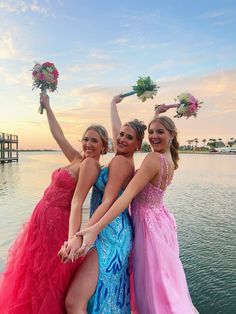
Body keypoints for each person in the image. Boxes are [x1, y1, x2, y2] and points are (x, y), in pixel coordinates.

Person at [77, 108, 199, 314]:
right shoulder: (169, 159)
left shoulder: (153, 159)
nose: (153, 136)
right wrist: (150, 115)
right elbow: (141, 139)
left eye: (159, 132)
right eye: (151, 132)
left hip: (146, 223)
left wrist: (95, 228)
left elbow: (125, 198)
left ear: (172, 134)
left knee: (149, 284)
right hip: (161, 220)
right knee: (162, 282)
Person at [0, 94, 109, 314]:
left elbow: (77, 202)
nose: (88, 144)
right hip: (42, 220)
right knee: (35, 272)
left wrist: (71, 239)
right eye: (86, 139)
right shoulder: (78, 159)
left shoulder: (90, 165)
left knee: (49, 276)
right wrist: (48, 106)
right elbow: (57, 134)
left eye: (94, 141)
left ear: (104, 147)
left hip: (57, 222)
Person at [61, 95, 147, 314]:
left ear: (138, 144)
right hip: (114, 229)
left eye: (129, 137)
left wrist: (83, 232)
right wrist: (112, 104)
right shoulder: (124, 155)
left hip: (109, 232)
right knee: (101, 296)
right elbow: (121, 131)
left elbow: (108, 201)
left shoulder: (119, 162)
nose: (122, 139)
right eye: (120, 135)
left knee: (75, 301)